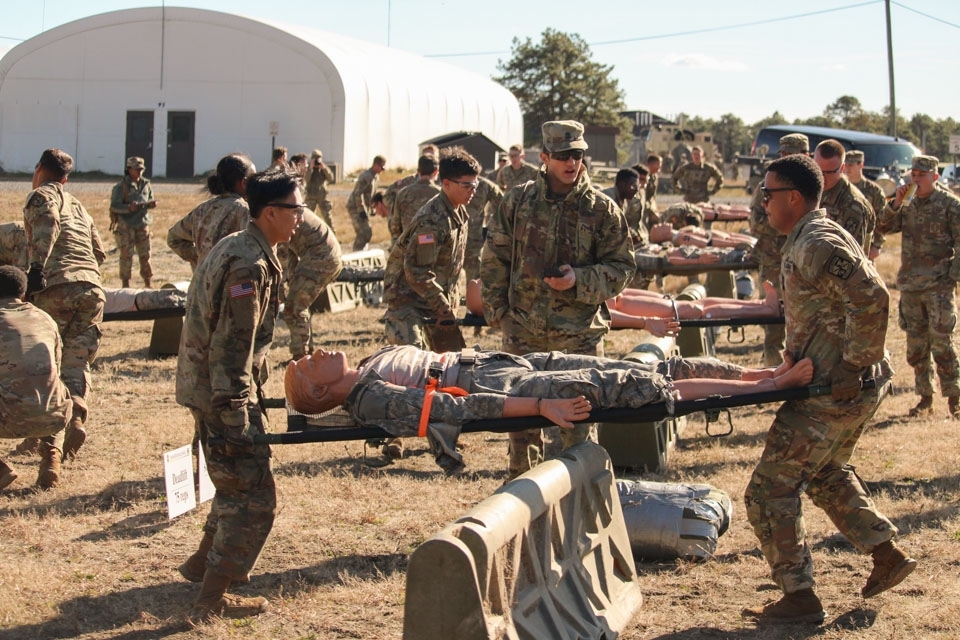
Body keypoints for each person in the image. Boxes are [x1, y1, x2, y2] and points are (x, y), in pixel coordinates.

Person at [742, 153, 915, 624]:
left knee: (768, 490)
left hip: (837, 390)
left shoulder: (816, 241)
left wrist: (853, 364)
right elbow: (830, 308)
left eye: (768, 194)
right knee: (823, 472)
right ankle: (886, 554)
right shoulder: (807, 235)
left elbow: (873, 296)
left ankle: (799, 598)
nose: (763, 203)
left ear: (792, 198)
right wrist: (800, 351)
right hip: (839, 385)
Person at [285, 346, 813, 474]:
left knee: (648, 365)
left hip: (498, 360)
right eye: (310, 364)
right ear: (319, 392)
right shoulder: (370, 396)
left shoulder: (368, 365)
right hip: (500, 381)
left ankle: (761, 376)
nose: (317, 353)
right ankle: (768, 386)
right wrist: (541, 406)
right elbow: (455, 409)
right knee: (636, 386)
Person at [175, 169, 302, 624]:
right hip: (223, 394)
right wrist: (234, 413)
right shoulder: (249, 263)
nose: (300, 219)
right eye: (295, 210)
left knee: (232, 486)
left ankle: (200, 566)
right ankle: (210, 599)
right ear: (271, 212)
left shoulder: (242, 246)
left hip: (215, 389)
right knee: (253, 497)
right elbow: (232, 344)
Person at [481, 120, 636, 478]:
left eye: (578, 155)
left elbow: (622, 266)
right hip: (523, 333)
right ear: (545, 157)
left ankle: (580, 505)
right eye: (564, 156)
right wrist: (500, 314)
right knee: (521, 431)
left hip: (578, 336)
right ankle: (523, 506)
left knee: (579, 430)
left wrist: (578, 280)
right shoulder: (517, 201)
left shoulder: (601, 208)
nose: (572, 164)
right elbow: (494, 259)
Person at [23, 148, 106, 462]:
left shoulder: (41, 196)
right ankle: (76, 417)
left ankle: (50, 452)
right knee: (76, 360)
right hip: (92, 288)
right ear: (66, 177)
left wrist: (36, 270)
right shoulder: (79, 205)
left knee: (49, 366)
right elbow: (99, 252)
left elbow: (48, 225)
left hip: (57, 287)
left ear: (39, 168)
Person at [877, 155, 960, 418]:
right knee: (916, 347)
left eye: (921, 175)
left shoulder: (950, 205)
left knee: (942, 344)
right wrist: (896, 204)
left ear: (935, 177)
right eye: (913, 174)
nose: (915, 179)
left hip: (938, 287)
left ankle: (955, 397)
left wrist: (952, 277)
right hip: (911, 286)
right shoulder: (908, 203)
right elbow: (883, 226)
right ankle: (925, 398)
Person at [465, 277, 781, 339]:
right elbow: (603, 318)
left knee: (693, 306)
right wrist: (643, 322)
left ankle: (761, 307)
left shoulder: (521, 285)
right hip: (614, 304)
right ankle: (763, 310)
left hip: (612, 296)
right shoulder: (525, 306)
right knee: (693, 311)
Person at [0, 266, 73, 490]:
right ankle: (51, 460)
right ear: (23, 294)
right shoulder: (45, 319)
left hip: (8, 419)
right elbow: (57, 367)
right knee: (55, 388)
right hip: (54, 416)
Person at [749, 133, 809, 367]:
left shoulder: (815, 183)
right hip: (774, 258)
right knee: (773, 319)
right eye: (784, 154)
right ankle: (774, 372)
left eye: (793, 154)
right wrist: (790, 226)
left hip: (807, 260)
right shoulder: (768, 183)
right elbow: (755, 222)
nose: (787, 159)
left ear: (805, 155)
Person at [167, 153, 256, 270]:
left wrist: (201, 256)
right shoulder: (244, 210)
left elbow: (173, 238)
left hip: (201, 286)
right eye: (254, 180)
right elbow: (255, 250)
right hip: (230, 285)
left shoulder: (202, 209)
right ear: (244, 183)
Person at [279, 209, 342, 360]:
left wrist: (279, 287)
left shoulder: (277, 211)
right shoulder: (282, 203)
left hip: (321, 257)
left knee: (294, 308)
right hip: (323, 255)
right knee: (297, 306)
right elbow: (289, 255)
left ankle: (300, 358)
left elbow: (280, 256)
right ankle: (306, 353)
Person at [814, 139, 875, 254]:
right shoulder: (811, 189)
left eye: (829, 172)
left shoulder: (854, 205)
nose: (821, 176)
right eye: (817, 169)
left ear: (842, 168)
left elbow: (849, 258)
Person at [109, 156, 157, 288]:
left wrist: (151, 204)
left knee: (145, 255)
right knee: (126, 256)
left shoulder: (146, 184)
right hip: (126, 226)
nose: (139, 172)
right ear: (129, 169)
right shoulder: (120, 187)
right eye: (137, 169)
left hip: (142, 224)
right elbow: (114, 206)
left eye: (141, 169)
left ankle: (148, 283)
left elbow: (150, 198)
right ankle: (126, 284)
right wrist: (128, 208)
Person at [843, 150, 888, 260]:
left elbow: (882, 219)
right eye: (845, 165)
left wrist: (877, 245)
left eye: (851, 165)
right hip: (843, 243)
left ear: (861, 165)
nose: (847, 168)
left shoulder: (874, 191)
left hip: (864, 246)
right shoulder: (841, 188)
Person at [388, 155, 440, 244]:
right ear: (436, 172)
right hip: (432, 247)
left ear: (418, 171)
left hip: (409, 246)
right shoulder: (440, 194)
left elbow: (395, 226)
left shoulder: (403, 193)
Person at [463, 173, 503, 283]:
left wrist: (493, 226)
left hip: (473, 239)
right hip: (458, 235)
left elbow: (503, 206)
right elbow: (502, 205)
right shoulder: (485, 185)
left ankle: (470, 299)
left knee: (473, 276)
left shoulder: (485, 186)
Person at [345, 155, 386, 251]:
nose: (382, 170)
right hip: (355, 207)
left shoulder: (376, 178)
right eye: (381, 167)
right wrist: (360, 209)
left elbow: (371, 195)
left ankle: (361, 251)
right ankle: (357, 253)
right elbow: (358, 193)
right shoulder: (366, 177)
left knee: (365, 232)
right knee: (364, 232)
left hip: (364, 208)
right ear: (376, 165)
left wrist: (373, 209)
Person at [601, 168, 647, 248]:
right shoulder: (608, 198)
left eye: (637, 187)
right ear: (622, 184)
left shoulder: (625, 202)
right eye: (633, 186)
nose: (636, 190)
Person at [650, 222, 756, 249]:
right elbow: (706, 243)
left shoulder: (679, 232)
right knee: (753, 244)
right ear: (663, 235)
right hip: (717, 239)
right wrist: (735, 244)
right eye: (658, 227)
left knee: (755, 241)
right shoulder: (681, 238)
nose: (661, 224)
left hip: (717, 235)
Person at [305, 149, 336, 230]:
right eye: (315, 158)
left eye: (318, 158)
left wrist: (324, 169)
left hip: (322, 196)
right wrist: (310, 168)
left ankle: (333, 235)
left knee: (328, 217)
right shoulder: (308, 168)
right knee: (308, 217)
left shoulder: (323, 168)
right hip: (310, 196)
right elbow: (306, 179)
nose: (316, 161)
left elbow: (331, 178)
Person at [644, 154, 662, 222]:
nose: (660, 166)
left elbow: (652, 197)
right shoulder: (643, 177)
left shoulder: (655, 177)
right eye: (658, 164)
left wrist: (654, 210)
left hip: (650, 206)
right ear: (651, 165)